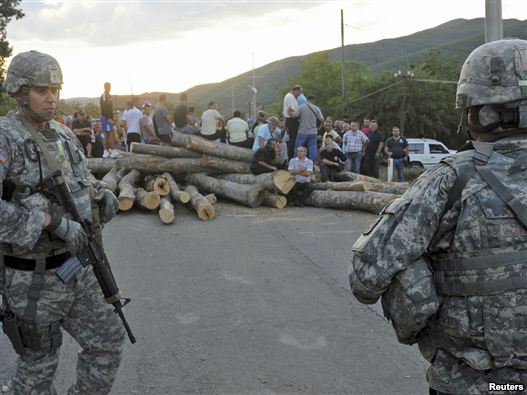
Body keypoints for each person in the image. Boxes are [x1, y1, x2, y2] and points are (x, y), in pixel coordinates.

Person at [349, 38, 527, 395]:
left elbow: (366, 277)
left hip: (472, 384)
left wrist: (421, 277)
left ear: (474, 112)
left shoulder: (450, 179)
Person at [0, 50, 125, 394]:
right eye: (42, 89)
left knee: (108, 343)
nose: (52, 97)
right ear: (21, 92)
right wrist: (44, 220)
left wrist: (102, 194)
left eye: (56, 88)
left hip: (76, 268)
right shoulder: (5, 138)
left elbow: (81, 179)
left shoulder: (66, 135)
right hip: (31, 279)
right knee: (38, 373)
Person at [294, 95, 323, 162]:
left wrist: (290, 112)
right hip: (313, 132)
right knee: (312, 149)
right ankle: (311, 163)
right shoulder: (316, 108)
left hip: (302, 131)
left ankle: (296, 162)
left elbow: (295, 115)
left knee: (298, 148)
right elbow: (322, 119)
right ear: (313, 100)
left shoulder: (301, 107)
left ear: (307, 99)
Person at [283, 85, 302, 159]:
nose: (299, 94)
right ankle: (291, 156)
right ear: (296, 90)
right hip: (292, 119)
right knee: (293, 140)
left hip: (290, 120)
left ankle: (291, 156)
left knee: (292, 139)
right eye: (299, 92)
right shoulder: (290, 97)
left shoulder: (289, 96)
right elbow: (291, 110)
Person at [99, 82, 115, 158]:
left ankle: (109, 151)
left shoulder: (109, 96)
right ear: (105, 87)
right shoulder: (104, 96)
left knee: (109, 133)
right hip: (105, 117)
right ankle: (107, 151)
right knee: (108, 134)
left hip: (108, 117)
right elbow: (104, 109)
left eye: (110, 86)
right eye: (108, 86)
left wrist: (112, 117)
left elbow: (110, 109)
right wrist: (108, 118)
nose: (109, 88)